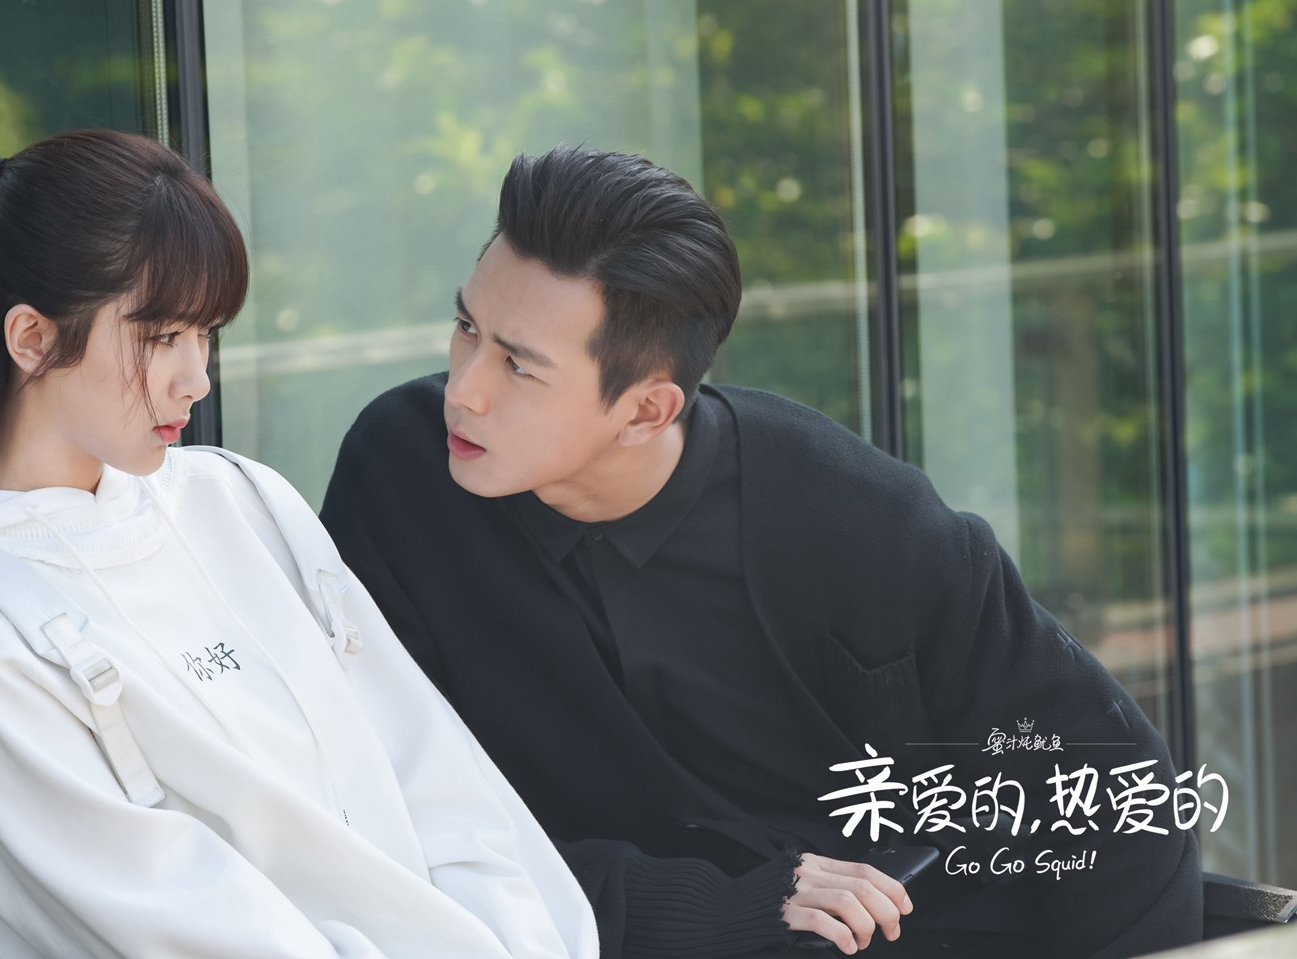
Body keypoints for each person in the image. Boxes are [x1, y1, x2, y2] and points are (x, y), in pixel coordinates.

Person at [319, 146, 1204, 958]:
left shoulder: (850, 516)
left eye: (518, 365)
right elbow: (373, 812)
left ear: (647, 410)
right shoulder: (401, 476)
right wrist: (701, 908)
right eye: (466, 326)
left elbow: (1116, 793)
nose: (464, 389)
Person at [0, 129, 598, 959]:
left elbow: (433, 770)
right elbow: (173, 918)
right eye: (160, 337)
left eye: (205, 334)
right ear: (33, 339)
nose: (197, 379)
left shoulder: (239, 499)